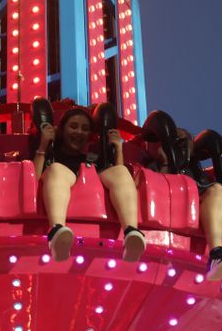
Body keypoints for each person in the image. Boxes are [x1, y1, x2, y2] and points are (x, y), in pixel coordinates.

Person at [34, 106, 146, 262]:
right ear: (62, 130)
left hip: (91, 182)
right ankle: (57, 230)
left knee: (121, 172)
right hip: (61, 176)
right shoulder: (52, 156)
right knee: (57, 170)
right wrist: (43, 146)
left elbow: (117, 172)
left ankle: (131, 232)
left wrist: (118, 149)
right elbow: (33, 179)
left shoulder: (93, 158)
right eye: (73, 126)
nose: (79, 132)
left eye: (84, 129)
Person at [142, 126, 222, 281]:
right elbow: (155, 184)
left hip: (192, 207)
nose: (181, 145)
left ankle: (216, 253)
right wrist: (166, 161)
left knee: (216, 190)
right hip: (164, 208)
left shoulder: (196, 172)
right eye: (176, 140)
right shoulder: (154, 164)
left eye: (185, 141)